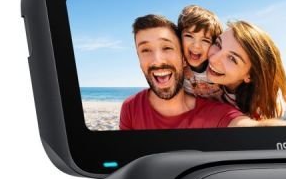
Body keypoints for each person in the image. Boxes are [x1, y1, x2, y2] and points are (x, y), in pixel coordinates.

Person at [119, 15, 277, 130]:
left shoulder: (218, 112)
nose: (157, 60)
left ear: (183, 58)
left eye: (167, 47)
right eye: (145, 50)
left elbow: (251, 126)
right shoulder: (131, 108)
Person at [205, 20, 286, 124]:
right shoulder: (199, 69)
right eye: (218, 44)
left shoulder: (265, 104)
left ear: (250, 75)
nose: (213, 59)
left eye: (232, 58)